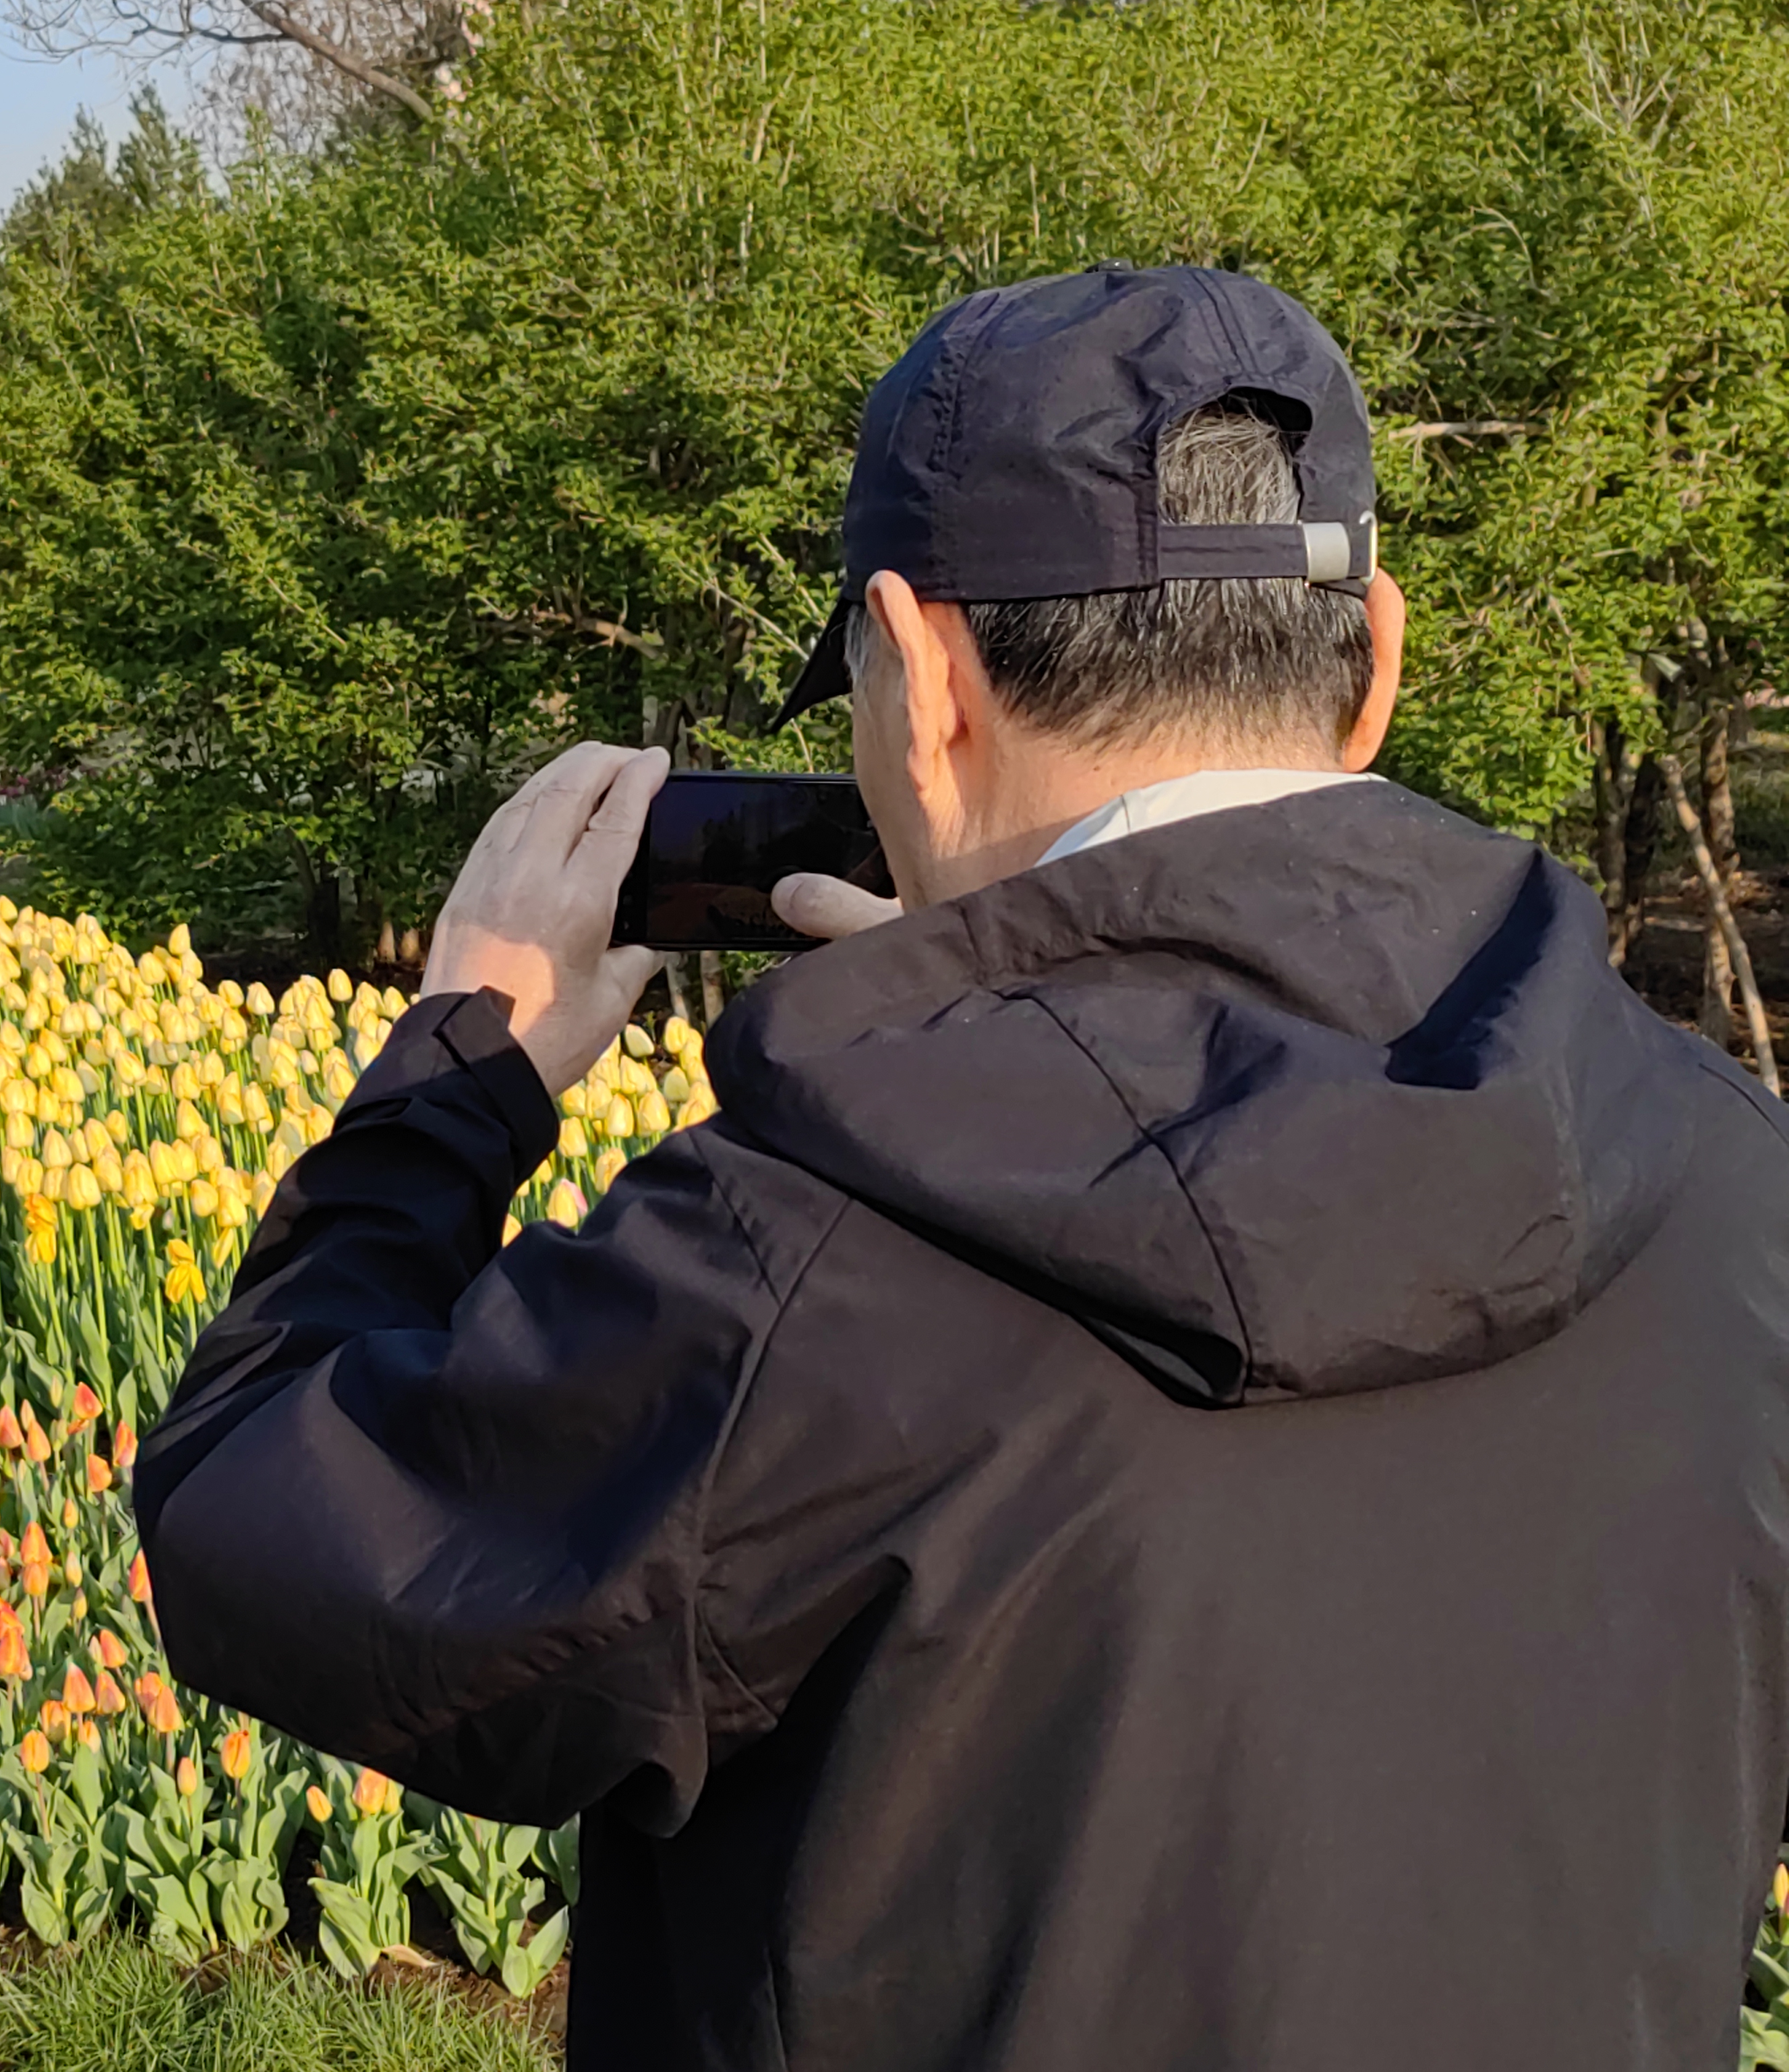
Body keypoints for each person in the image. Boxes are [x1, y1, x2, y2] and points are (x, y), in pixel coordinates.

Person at [132, 264, 1789, 2071]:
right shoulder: (1726, 1171)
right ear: (1375, 658)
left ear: (923, 680)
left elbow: (258, 1524)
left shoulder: (804, 1259)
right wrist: (991, 1044)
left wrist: (461, 1073)